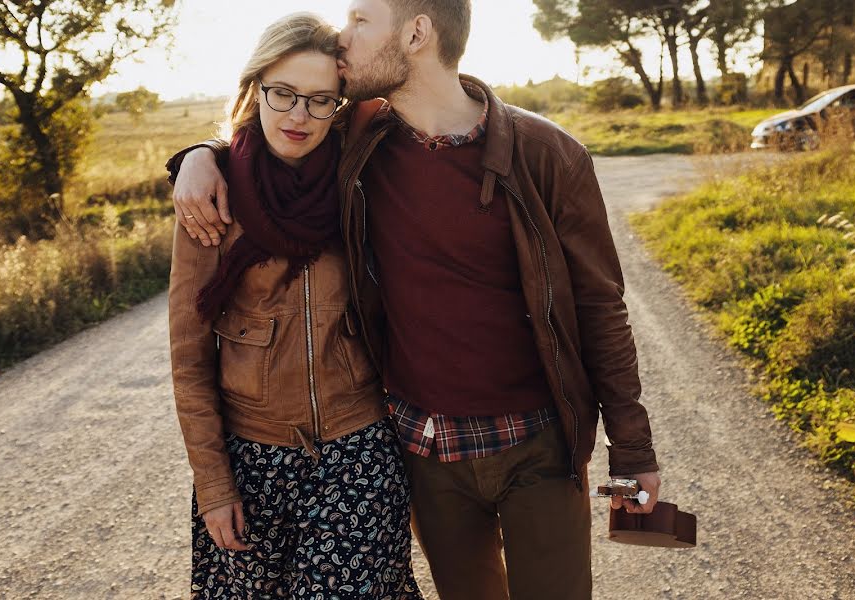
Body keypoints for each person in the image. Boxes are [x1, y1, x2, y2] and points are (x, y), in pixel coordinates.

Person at [168, 1, 662, 599]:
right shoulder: (362, 145)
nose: (342, 36)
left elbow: (601, 307)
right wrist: (196, 157)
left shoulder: (546, 153)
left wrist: (633, 454)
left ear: (418, 32)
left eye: (359, 20)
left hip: (538, 442)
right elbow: (269, 129)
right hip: (423, 446)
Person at [167, 12, 421, 599]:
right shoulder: (212, 197)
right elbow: (189, 356)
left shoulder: (360, 175)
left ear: (339, 105)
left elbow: (425, 89)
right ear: (255, 88)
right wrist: (214, 486)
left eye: (319, 100)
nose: (298, 116)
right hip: (250, 459)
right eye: (282, 93)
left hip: (357, 451)